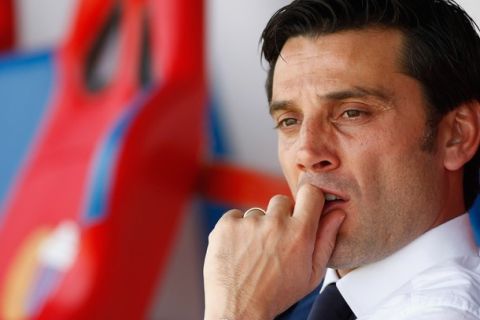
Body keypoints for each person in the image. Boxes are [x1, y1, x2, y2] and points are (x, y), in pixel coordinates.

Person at [203, 0, 480, 319]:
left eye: (351, 113)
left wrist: (239, 309)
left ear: (457, 135)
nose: (307, 153)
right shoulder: (289, 297)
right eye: (290, 121)